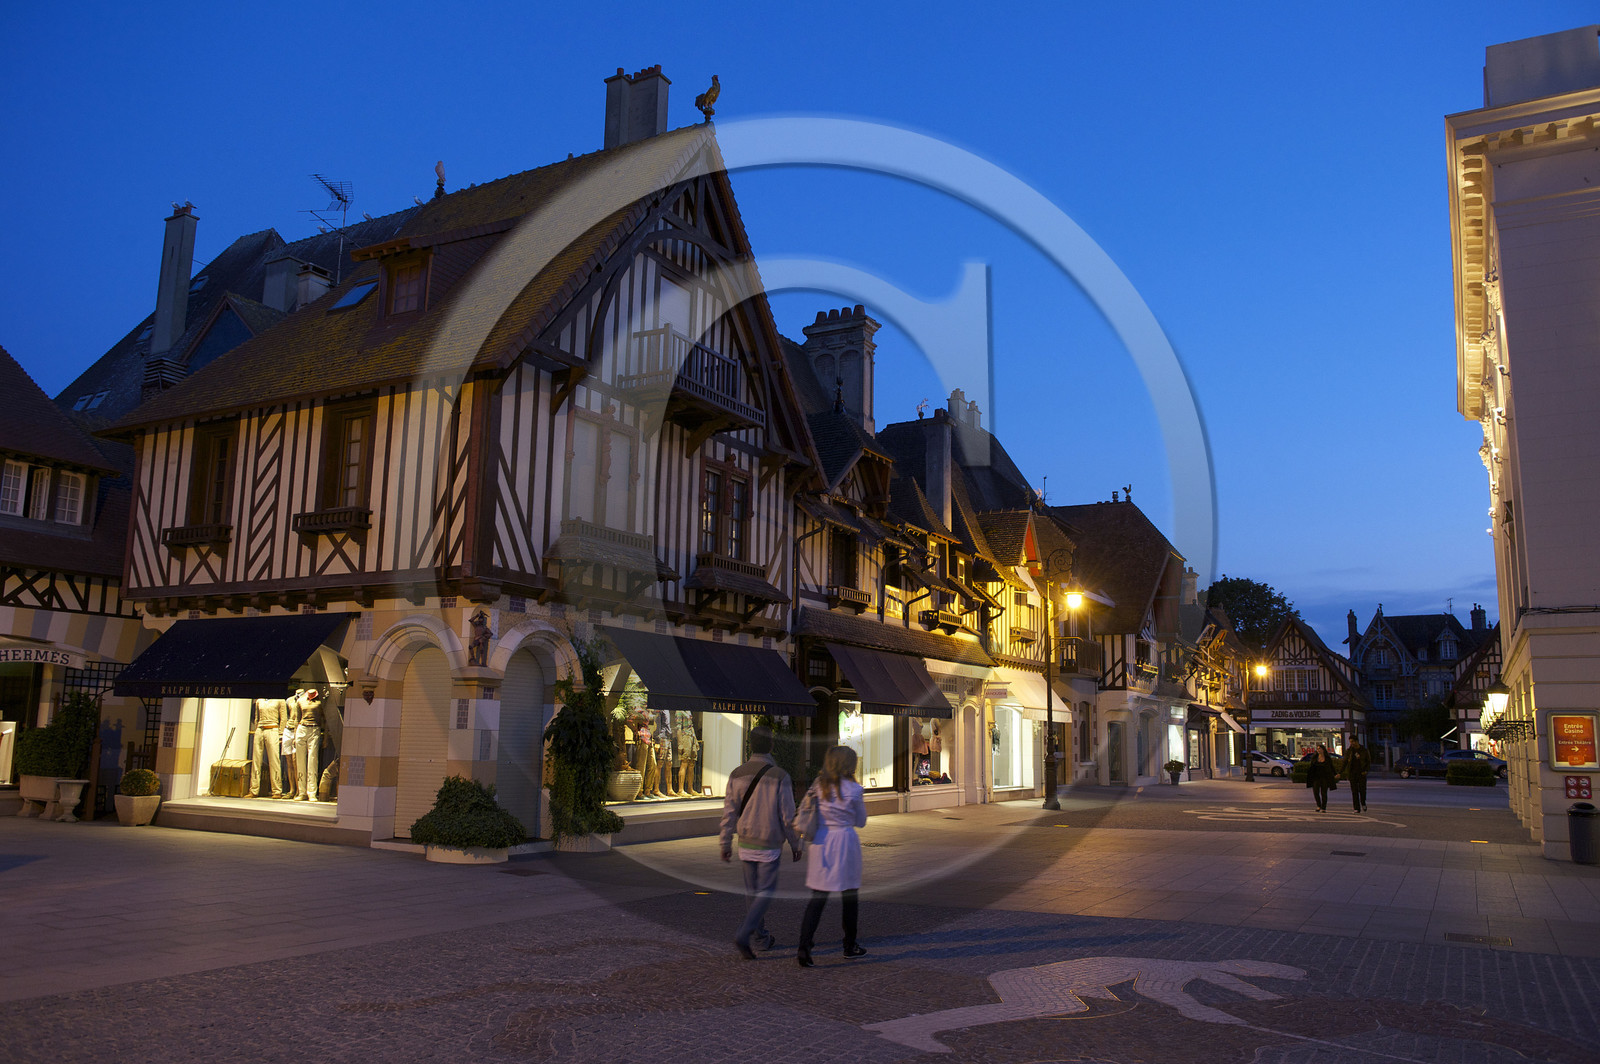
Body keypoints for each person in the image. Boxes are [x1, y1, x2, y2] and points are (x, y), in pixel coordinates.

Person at [718, 725, 801, 959]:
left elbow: (729, 813)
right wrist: (796, 844)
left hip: (745, 842)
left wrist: (725, 843)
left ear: (750, 745)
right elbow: (788, 816)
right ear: (771, 745)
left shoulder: (736, 774)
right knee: (766, 891)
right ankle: (746, 933)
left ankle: (760, 936)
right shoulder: (780, 776)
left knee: (752, 892)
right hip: (769, 843)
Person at [796, 745, 869, 967]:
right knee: (849, 896)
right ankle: (849, 944)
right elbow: (861, 821)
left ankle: (804, 946)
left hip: (821, 842)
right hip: (845, 841)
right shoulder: (854, 789)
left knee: (817, 898)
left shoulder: (818, 786)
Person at [1305, 743, 1337, 812]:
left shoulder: (1327, 758)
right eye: (1317, 749)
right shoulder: (1314, 758)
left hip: (1324, 777)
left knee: (1324, 793)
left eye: (1320, 748)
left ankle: (1323, 807)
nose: (1318, 750)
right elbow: (1311, 767)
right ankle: (1318, 805)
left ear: (1323, 750)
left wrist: (1335, 774)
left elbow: (1331, 767)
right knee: (1316, 792)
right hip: (1316, 777)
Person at [1343, 736, 1371, 813]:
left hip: (1361, 773)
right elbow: (1345, 762)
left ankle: (1363, 802)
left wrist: (1366, 770)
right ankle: (1356, 808)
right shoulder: (1349, 751)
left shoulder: (1363, 750)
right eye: (1350, 742)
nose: (1351, 743)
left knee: (1362, 790)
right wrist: (1340, 772)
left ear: (1357, 741)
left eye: (1353, 741)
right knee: (1354, 791)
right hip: (1352, 773)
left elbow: (1368, 761)